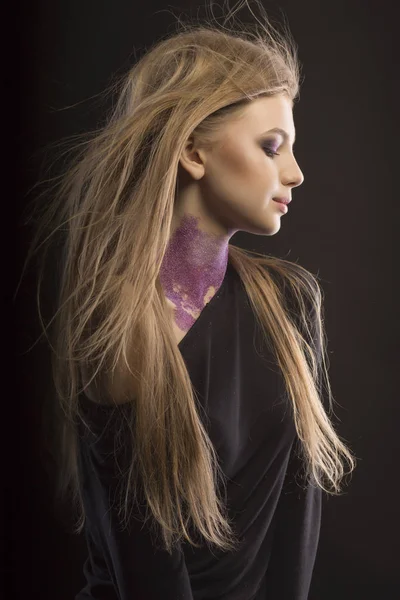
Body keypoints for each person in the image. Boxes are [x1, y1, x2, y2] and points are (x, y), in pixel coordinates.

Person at [22, 1, 356, 598]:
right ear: (194, 153)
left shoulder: (291, 304)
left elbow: (298, 524)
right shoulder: (123, 331)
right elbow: (148, 575)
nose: (297, 173)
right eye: (272, 146)